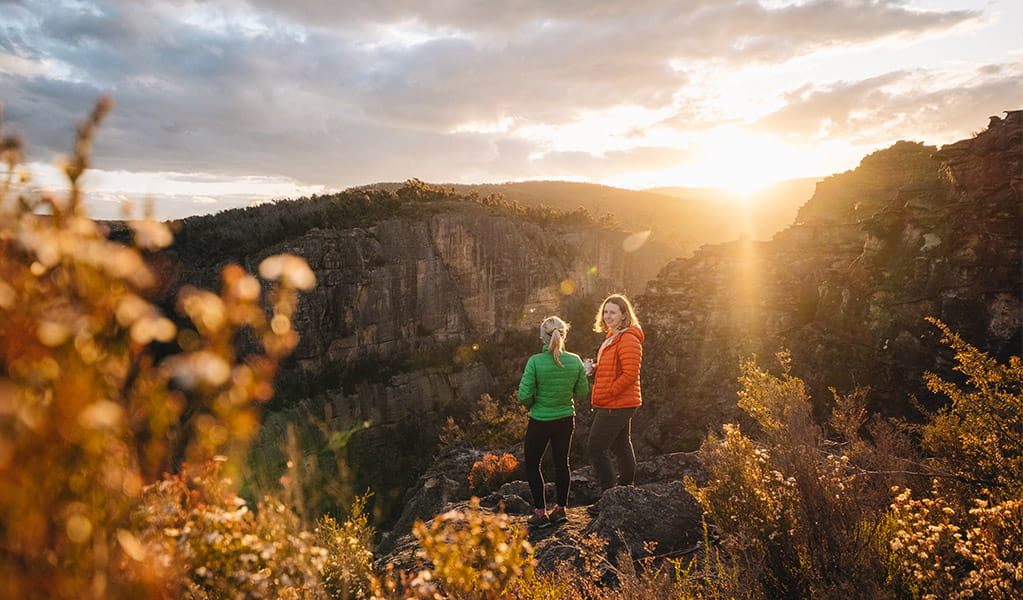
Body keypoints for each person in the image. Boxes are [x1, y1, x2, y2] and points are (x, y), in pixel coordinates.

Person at [518, 316, 590, 529]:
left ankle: (540, 514)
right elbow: (582, 391)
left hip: (540, 420)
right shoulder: (575, 360)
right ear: (564, 335)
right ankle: (560, 510)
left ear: (542, 337)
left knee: (532, 464)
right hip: (566, 419)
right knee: (562, 462)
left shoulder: (535, 361)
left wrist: (533, 406)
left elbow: (524, 394)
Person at [587, 293, 644, 494]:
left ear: (623, 315)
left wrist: (610, 392)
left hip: (617, 402)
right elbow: (614, 368)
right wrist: (594, 368)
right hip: (616, 401)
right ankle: (626, 491)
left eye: (613, 312)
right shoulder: (612, 337)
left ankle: (608, 494)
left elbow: (630, 374)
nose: (607, 316)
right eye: (605, 312)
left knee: (596, 446)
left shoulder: (628, 339)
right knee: (621, 446)